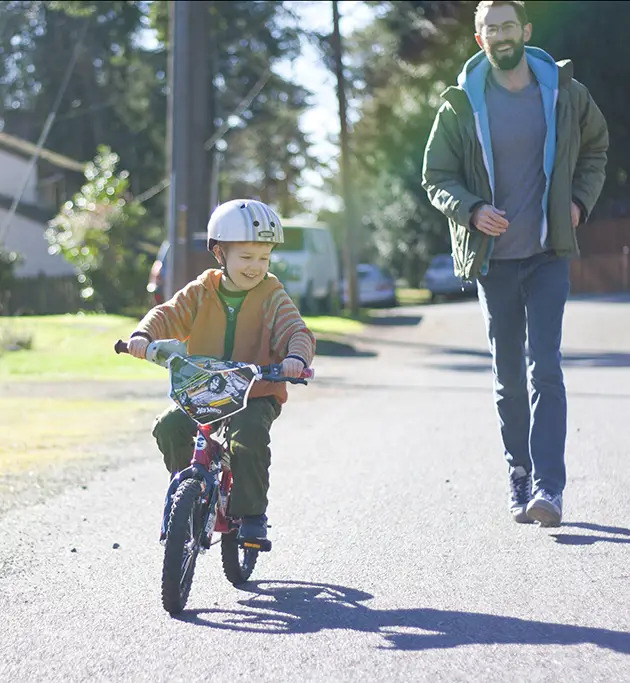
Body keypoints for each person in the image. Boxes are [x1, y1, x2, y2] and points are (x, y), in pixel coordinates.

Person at [422, 0, 608, 526]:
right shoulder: (459, 106)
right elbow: (436, 177)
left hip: (549, 253)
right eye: (490, 29)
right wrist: (473, 209)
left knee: (545, 368)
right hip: (493, 261)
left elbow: (597, 148)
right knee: (508, 376)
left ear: (525, 31)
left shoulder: (565, 94)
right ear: (479, 40)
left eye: (508, 25)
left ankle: (550, 486)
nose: (501, 36)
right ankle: (519, 473)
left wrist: (579, 203)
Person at [126, 199, 316, 541]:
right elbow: (168, 314)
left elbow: (295, 331)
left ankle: (251, 513)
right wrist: (143, 335)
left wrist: (296, 359)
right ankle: (188, 487)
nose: (256, 267)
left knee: (248, 437)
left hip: (256, 390)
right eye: (246, 257)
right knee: (169, 427)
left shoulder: (271, 295)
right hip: (205, 388)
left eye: (264, 258)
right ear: (220, 254)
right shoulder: (202, 291)